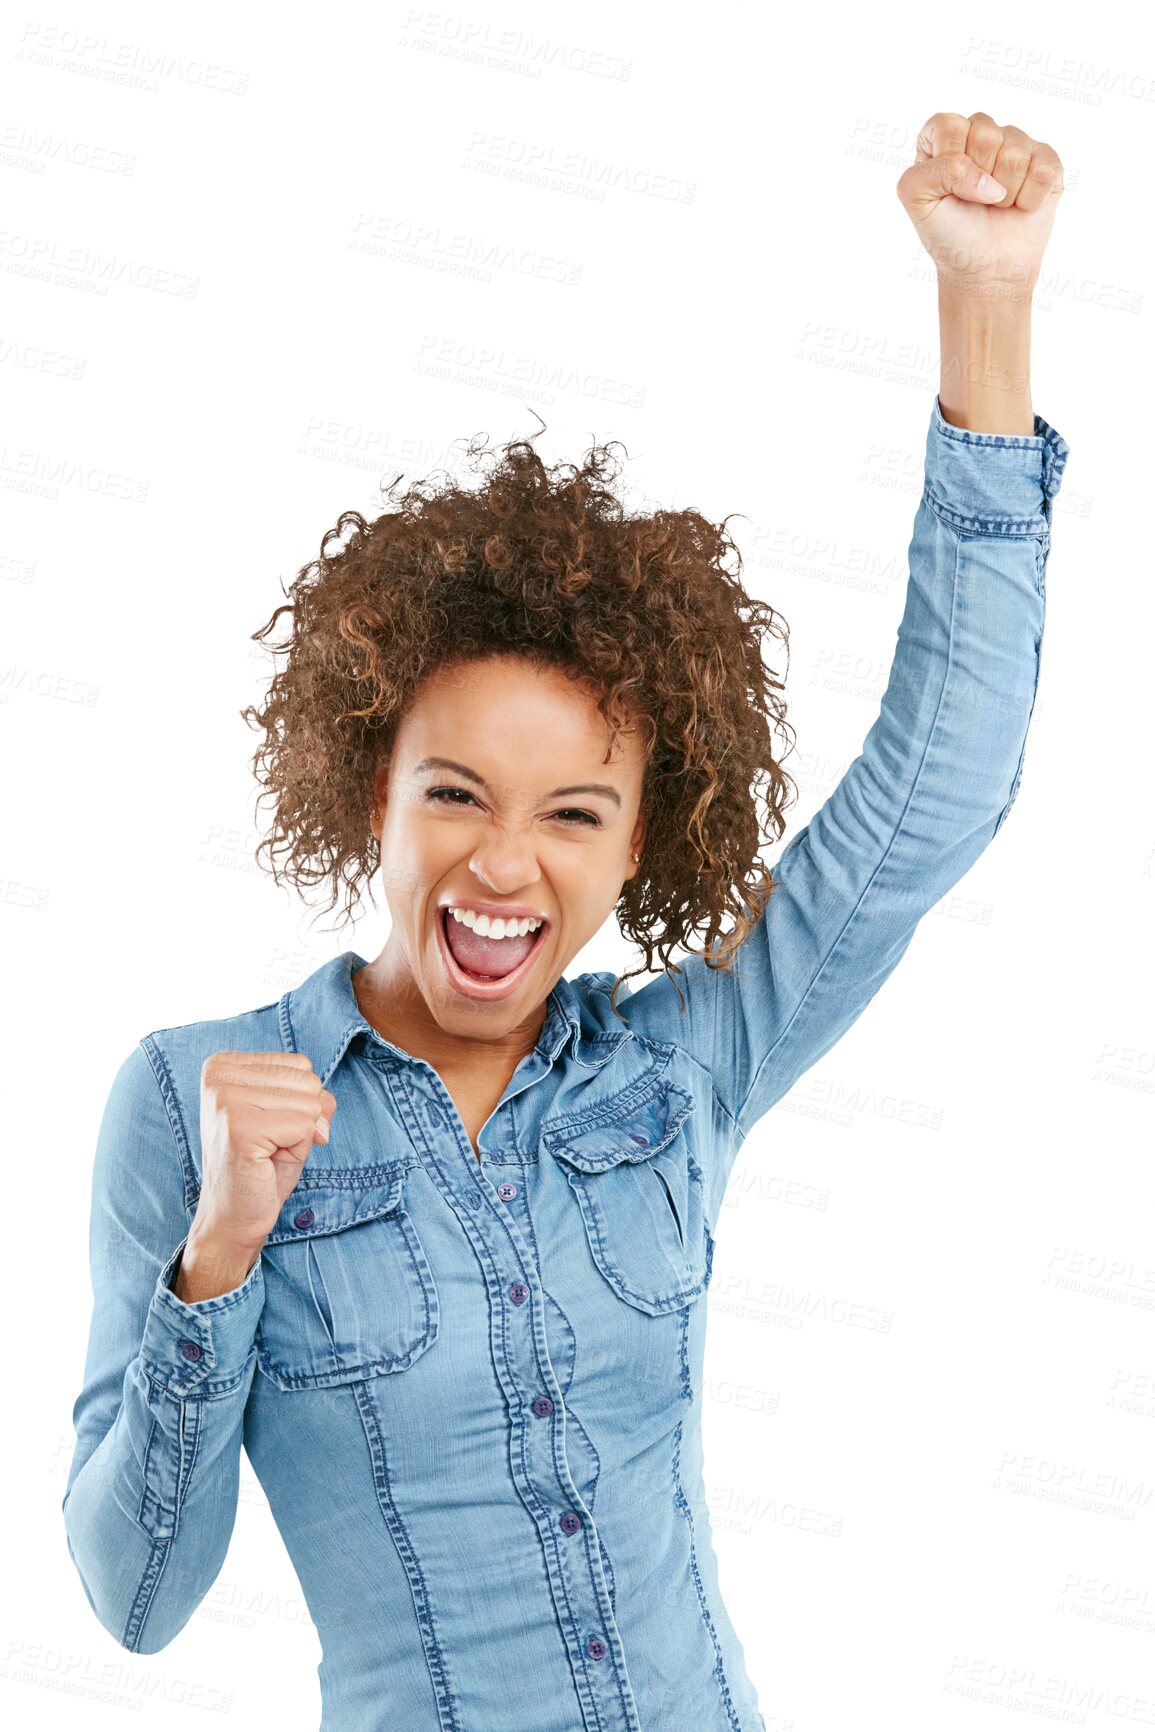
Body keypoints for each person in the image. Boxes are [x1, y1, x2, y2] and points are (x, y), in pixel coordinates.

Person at [63, 111, 1069, 1732]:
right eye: (454, 793)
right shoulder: (193, 1099)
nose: (505, 867)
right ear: (368, 787)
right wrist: (221, 1256)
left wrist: (990, 313)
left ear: (641, 847)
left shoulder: (680, 1071)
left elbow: (935, 790)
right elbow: (131, 1601)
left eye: (575, 815)